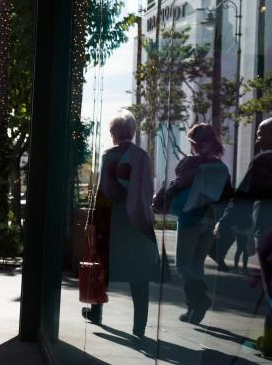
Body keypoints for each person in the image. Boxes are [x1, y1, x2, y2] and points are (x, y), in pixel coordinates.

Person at [82, 113, 160, 339]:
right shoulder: (142, 156)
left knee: (102, 265)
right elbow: (146, 191)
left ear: (113, 134)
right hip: (135, 219)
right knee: (139, 274)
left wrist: (91, 221)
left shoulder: (109, 155)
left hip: (111, 218)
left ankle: (96, 313)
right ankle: (139, 327)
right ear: (133, 132)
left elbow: (101, 191)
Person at [153, 123, 233, 325]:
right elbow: (227, 196)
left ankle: (201, 298)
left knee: (182, 265)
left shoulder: (190, 163)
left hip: (191, 218)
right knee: (197, 264)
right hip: (211, 219)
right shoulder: (222, 168)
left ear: (196, 144)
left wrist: (163, 198)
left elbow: (177, 182)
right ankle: (193, 311)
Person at [216, 118, 272, 356]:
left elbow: (242, 196)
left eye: (260, 133)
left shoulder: (264, 160)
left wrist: (225, 222)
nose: (257, 138)